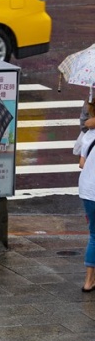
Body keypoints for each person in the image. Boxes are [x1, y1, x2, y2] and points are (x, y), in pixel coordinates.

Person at [75, 102, 95, 292]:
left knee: (94, 235)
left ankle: (89, 281)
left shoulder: (89, 136)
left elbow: (82, 163)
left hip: (88, 190)